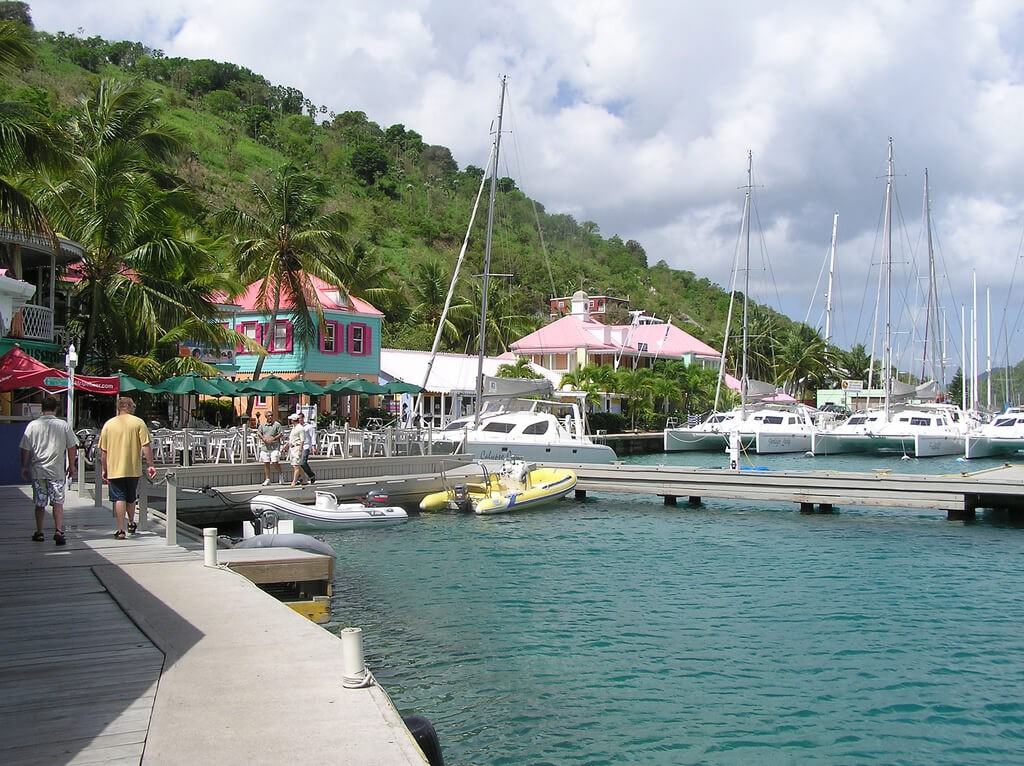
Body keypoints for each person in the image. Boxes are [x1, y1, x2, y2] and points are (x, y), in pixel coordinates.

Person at [20, 396, 78, 546]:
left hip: (38, 471)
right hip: (57, 471)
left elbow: (25, 448)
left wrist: (24, 466)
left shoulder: (33, 425)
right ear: (56, 408)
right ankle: (58, 531)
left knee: (40, 503)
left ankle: (39, 532)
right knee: (58, 502)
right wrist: (71, 465)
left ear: (42, 408)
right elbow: (72, 447)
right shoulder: (63, 425)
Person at [99, 396, 157, 540]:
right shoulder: (138, 423)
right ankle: (131, 522)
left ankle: (120, 530)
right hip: (132, 468)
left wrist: (104, 469)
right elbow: (146, 446)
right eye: (133, 406)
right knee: (131, 498)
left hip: (114, 468)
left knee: (119, 498)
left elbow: (103, 452)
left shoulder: (109, 424)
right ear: (129, 407)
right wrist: (151, 465)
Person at [258, 410, 283, 486]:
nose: (270, 417)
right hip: (265, 447)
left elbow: (281, 433)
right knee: (266, 463)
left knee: (275, 461)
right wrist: (263, 438)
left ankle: (281, 474)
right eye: (269, 416)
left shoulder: (277, 424)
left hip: (275, 446)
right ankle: (267, 479)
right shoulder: (262, 425)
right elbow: (259, 433)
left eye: (271, 415)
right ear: (266, 417)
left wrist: (273, 438)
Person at [287, 412, 308, 487]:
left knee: (296, 466)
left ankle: (294, 481)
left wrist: (300, 450)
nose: (290, 421)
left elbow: (302, 440)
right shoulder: (294, 428)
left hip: (297, 447)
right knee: (297, 465)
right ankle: (304, 479)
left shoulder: (300, 428)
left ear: (293, 420)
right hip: (292, 448)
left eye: (291, 420)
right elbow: (291, 439)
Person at [302, 412, 317, 484]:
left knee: (303, 463)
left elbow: (313, 436)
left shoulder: (309, 427)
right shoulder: (297, 426)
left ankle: (311, 475)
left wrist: (314, 446)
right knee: (297, 464)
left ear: (302, 418)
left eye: (299, 418)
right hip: (298, 447)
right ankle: (302, 478)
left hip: (306, 446)